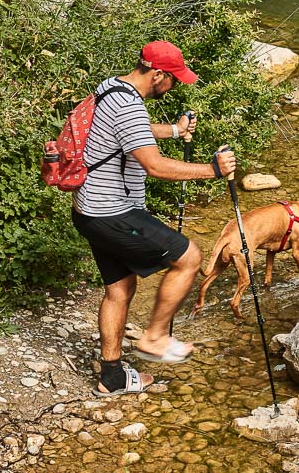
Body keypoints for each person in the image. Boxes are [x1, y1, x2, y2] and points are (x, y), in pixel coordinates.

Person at [71, 40, 236, 396]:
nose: (174, 86)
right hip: (113, 212)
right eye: (173, 80)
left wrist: (175, 130)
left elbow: (132, 131)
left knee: (120, 288)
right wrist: (213, 170)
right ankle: (155, 337)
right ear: (158, 75)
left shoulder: (111, 88)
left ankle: (112, 377)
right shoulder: (129, 106)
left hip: (88, 210)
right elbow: (155, 166)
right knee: (189, 256)